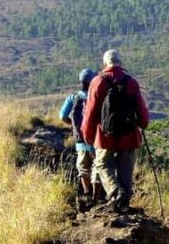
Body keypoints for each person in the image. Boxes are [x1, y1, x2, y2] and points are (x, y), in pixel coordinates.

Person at [82, 49, 150, 211]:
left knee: (102, 163)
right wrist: (143, 124)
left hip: (104, 136)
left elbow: (90, 112)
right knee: (125, 168)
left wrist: (88, 135)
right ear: (121, 63)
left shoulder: (97, 82)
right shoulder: (131, 82)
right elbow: (141, 110)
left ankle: (115, 192)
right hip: (128, 135)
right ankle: (124, 203)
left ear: (105, 63)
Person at [59, 68, 102, 206]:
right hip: (97, 140)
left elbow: (62, 116)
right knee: (98, 166)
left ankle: (87, 193)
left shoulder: (73, 98)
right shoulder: (98, 97)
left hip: (81, 140)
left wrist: (74, 126)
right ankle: (96, 197)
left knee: (83, 167)